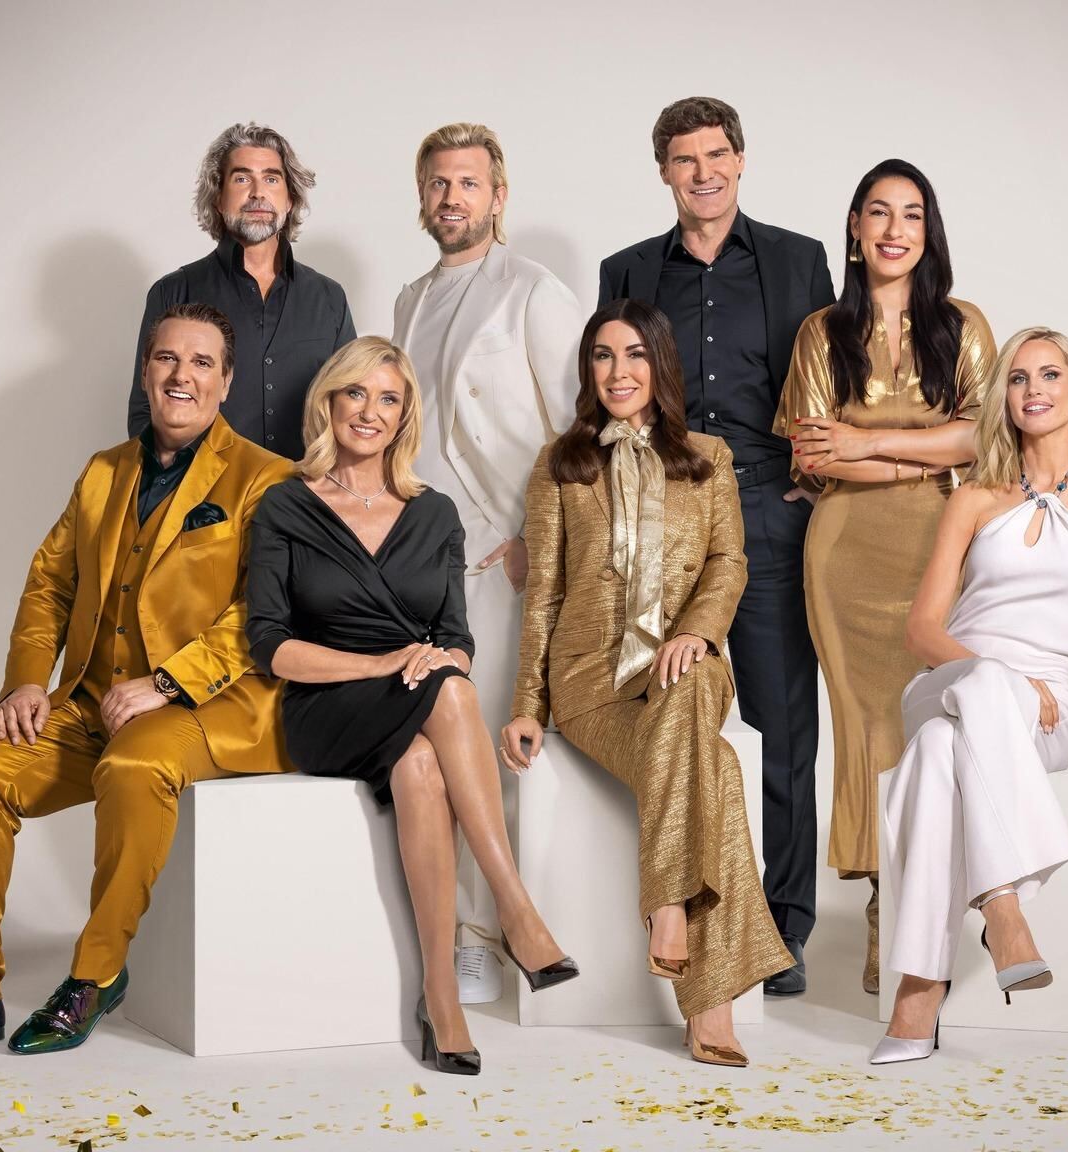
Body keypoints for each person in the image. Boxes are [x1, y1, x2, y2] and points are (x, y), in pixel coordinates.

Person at [0, 304, 297, 1056]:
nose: (182, 376)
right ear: (145, 370)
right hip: (92, 700)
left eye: (202, 362)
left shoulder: (267, 478)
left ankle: (96, 976)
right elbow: (50, 583)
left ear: (227, 382)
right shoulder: (104, 472)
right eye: (167, 358)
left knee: (133, 766)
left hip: (213, 707)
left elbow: (263, 611)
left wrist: (167, 684)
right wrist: (25, 682)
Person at [245, 337, 577, 1076]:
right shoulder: (286, 506)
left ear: (404, 416)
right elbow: (270, 645)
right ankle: (515, 908)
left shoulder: (435, 513)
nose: (370, 411)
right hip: (327, 706)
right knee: (450, 691)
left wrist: (433, 661)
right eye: (355, 393)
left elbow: (456, 639)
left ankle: (440, 996)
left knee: (425, 762)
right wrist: (385, 662)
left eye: (388, 398)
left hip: (420, 697)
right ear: (329, 402)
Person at [502, 299, 791, 1067]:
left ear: (660, 366)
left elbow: (729, 561)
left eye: (634, 354)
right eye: (602, 355)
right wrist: (527, 704)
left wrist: (697, 630)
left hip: (685, 663)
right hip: (593, 679)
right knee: (716, 771)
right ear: (588, 369)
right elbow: (545, 594)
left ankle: (667, 904)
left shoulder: (709, 456)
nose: (618, 371)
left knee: (690, 684)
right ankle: (711, 1008)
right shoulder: (560, 464)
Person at [597, 96, 832, 995]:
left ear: (741, 159)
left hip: (769, 508)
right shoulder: (626, 269)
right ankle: (686, 910)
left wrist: (812, 477)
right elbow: (611, 392)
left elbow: (832, 377)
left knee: (781, 719)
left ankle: (786, 924)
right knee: (662, 705)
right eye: (685, 159)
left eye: (717, 155)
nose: (704, 173)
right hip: (662, 512)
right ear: (663, 171)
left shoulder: (797, 260)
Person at [869, 327, 1068, 1065]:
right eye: (1019, 379)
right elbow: (922, 629)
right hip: (951, 679)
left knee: (938, 752)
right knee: (965, 701)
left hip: (1048, 708)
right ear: (1005, 397)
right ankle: (1005, 908)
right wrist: (996, 676)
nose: (1034, 390)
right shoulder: (974, 496)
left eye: (1051, 375)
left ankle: (918, 992)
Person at [774, 159, 996, 994]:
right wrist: (923, 454)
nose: (895, 229)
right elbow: (813, 456)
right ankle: (882, 910)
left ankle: (934, 898)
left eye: (912, 214)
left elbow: (981, 436)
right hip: (844, 556)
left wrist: (869, 443)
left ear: (928, 232)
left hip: (941, 546)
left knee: (932, 721)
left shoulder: (963, 326)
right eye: (879, 212)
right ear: (856, 229)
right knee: (866, 731)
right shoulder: (821, 331)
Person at [391, 121, 585, 1004]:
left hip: (506, 561)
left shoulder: (535, 291)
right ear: (422, 196)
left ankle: (503, 929)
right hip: (423, 565)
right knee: (440, 752)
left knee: (499, 753)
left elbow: (581, 428)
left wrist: (542, 539)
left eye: (468, 183)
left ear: (498, 197)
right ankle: (468, 934)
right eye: (438, 183)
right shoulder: (407, 300)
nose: (452, 198)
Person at [128, 122, 355, 457]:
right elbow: (144, 414)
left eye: (271, 179)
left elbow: (350, 408)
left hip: (305, 489)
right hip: (206, 489)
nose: (258, 193)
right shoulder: (174, 292)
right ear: (219, 198)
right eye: (242, 179)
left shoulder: (329, 299)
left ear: (290, 199)